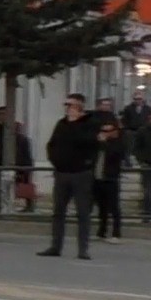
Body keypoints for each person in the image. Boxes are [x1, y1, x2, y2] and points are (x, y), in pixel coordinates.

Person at [39, 93, 99, 259]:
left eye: (70, 105)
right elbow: (52, 144)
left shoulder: (90, 123)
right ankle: (55, 246)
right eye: (66, 105)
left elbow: (89, 142)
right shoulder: (61, 124)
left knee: (83, 212)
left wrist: (75, 123)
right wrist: (55, 160)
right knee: (58, 211)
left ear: (79, 106)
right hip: (62, 172)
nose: (67, 108)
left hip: (81, 173)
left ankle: (83, 249)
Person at [93, 118, 128, 240]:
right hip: (98, 178)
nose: (104, 133)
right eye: (102, 130)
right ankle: (101, 231)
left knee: (114, 207)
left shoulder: (118, 143)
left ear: (114, 131)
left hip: (110, 179)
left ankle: (116, 233)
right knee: (101, 207)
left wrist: (104, 142)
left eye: (107, 131)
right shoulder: (98, 144)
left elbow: (114, 155)